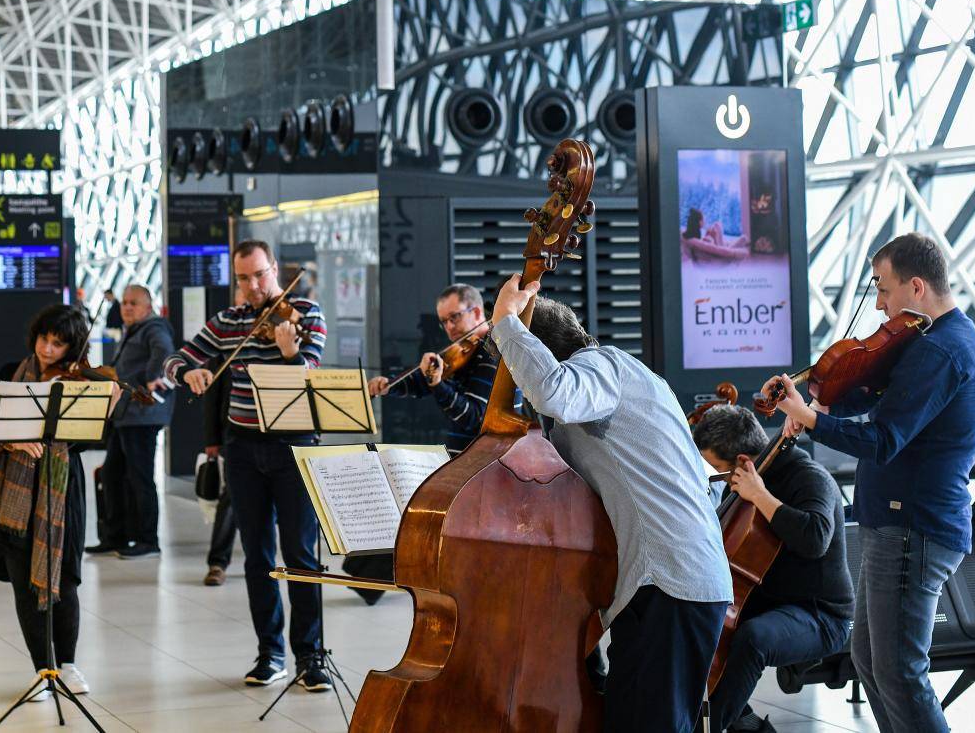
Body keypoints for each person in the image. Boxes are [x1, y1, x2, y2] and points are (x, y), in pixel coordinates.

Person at [768, 233, 975, 733]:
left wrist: (812, 417)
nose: (878, 305)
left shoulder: (942, 351)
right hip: (898, 526)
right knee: (872, 663)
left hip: (913, 528)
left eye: (882, 290)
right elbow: (878, 401)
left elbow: (885, 438)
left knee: (899, 672)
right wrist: (818, 407)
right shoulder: (930, 342)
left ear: (916, 286)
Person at [489, 276, 731, 733]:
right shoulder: (626, 380)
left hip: (669, 581)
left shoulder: (603, 367)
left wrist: (506, 323)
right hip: (672, 583)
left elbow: (554, 391)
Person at [167, 240, 331, 691]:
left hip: (294, 446)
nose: (253, 286)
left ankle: (310, 656)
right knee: (257, 557)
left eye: (260, 275)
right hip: (243, 448)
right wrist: (188, 373)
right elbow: (175, 359)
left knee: (299, 556)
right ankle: (270, 653)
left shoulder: (306, 313)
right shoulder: (229, 322)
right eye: (243, 278)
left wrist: (288, 353)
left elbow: (311, 370)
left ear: (274, 268)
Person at [692, 405, 853, 733]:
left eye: (720, 471)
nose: (722, 481)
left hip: (821, 615)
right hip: (773, 602)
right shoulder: (753, 480)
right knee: (690, 621)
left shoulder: (809, 477)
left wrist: (760, 495)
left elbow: (815, 538)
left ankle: (707, 729)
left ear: (742, 463)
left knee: (755, 638)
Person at [0, 304, 97, 701]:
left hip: (62, 487)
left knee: (64, 579)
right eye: (44, 339)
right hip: (14, 490)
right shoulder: (9, 374)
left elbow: (95, 438)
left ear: (73, 348)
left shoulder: (82, 382)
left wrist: (107, 405)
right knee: (24, 585)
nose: (48, 349)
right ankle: (41, 669)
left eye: (59, 344)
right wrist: (11, 439)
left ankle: (68, 664)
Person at [86, 284, 176, 559]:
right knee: (113, 474)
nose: (126, 307)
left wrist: (150, 379)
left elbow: (164, 352)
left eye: (133, 303)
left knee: (140, 477)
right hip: (126, 415)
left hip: (142, 415)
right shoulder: (134, 330)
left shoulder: (154, 328)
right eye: (124, 302)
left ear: (147, 307)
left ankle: (148, 540)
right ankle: (115, 536)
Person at [365, 283, 501, 456]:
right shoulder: (463, 352)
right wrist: (390, 384)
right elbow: (422, 382)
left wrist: (437, 384)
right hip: (463, 461)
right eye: (444, 321)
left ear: (475, 313)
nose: (449, 327)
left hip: (483, 463)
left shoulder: (492, 352)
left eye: (455, 317)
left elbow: (474, 418)